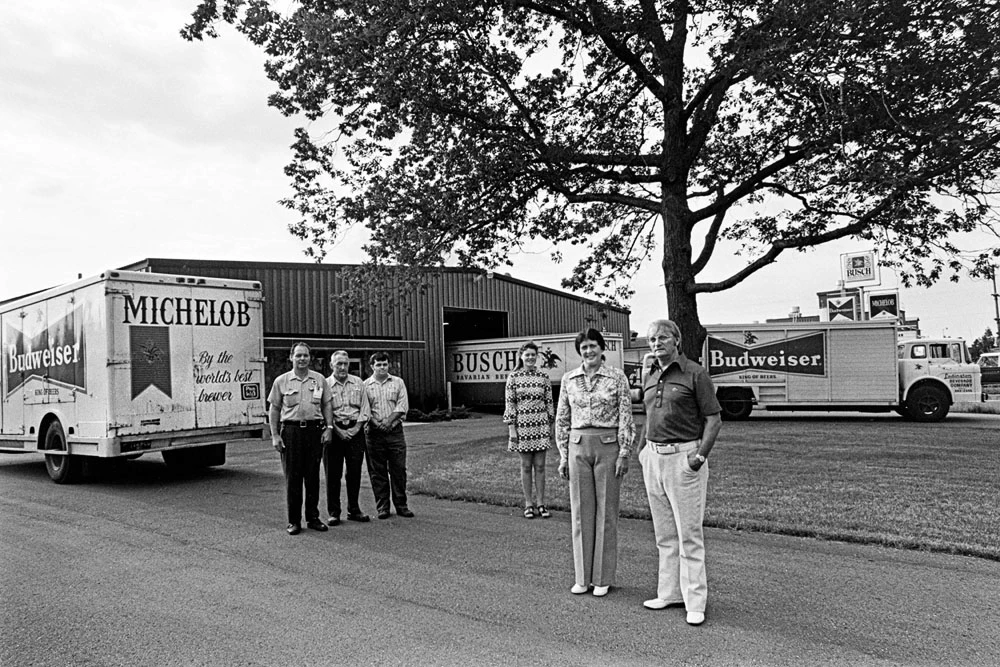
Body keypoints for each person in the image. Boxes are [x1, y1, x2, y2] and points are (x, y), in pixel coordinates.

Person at [637, 319, 722, 626]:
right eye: (651, 339)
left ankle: (695, 601)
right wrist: (642, 450)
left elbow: (713, 419)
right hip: (654, 458)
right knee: (665, 534)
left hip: (684, 458)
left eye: (661, 338)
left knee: (689, 535)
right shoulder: (651, 374)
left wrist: (699, 457)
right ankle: (670, 592)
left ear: (676, 340)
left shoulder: (695, 373)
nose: (655, 343)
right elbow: (648, 413)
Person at [555, 328, 635, 598]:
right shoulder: (569, 379)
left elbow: (626, 416)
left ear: (603, 349)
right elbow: (562, 419)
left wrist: (625, 451)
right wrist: (564, 455)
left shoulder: (616, 378)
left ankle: (602, 577)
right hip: (578, 446)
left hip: (608, 445)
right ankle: (582, 577)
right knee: (580, 513)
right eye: (584, 347)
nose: (588, 351)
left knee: (606, 513)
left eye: (593, 346)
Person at [268, 342, 334, 535]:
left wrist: (329, 428)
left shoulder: (319, 379)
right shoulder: (282, 381)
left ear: (310, 358)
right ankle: (294, 521)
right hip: (291, 432)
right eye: (298, 355)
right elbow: (274, 409)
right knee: (293, 478)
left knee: (312, 477)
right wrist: (275, 435)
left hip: (314, 432)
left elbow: (327, 405)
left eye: (305, 355)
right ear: (291, 357)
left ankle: (313, 518)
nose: (302, 359)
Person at [503, 342, 555, 519]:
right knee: (526, 466)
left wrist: (550, 425)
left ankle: (541, 503)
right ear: (521, 357)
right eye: (527, 355)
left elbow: (549, 402)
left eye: (533, 355)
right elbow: (510, 404)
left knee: (540, 466)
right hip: (522, 426)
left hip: (540, 425)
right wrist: (512, 428)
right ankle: (528, 504)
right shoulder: (514, 377)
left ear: (537, 356)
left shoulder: (543, 377)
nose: (531, 358)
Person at [363, 352, 414, 520]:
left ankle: (401, 505)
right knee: (378, 472)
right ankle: (383, 507)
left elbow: (402, 406)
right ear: (372, 366)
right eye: (378, 365)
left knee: (398, 469)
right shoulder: (365, 385)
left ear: (389, 365)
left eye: (384, 364)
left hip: (395, 432)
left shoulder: (398, 383)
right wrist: (378, 424)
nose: (382, 367)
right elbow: (365, 410)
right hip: (374, 433)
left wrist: (388, 421)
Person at [324, 350, 372, 526]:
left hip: (355, 431)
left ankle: (354, 509)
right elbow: (323, 411)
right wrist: (336, 429)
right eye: (338, 364)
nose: (342, 367)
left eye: (345, 363)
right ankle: (334, 512)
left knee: (354, 472)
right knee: (333, 474)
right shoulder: (325, 384)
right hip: (334, 432)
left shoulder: (358, 383)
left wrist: (356, 428)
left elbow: (365, 408)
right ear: (331, 365)